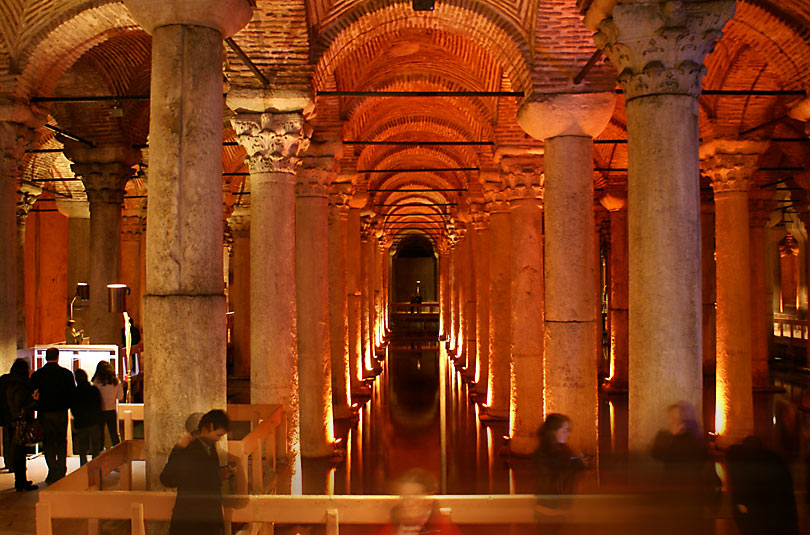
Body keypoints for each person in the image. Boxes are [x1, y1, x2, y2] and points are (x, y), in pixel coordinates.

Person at [160, 409, 237, 535]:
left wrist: (221, 473)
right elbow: (168, 479)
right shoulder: (188, 450)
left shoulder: (210, 448)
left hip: (208, 521)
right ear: (206, 429)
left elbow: (203, 474)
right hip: (190, 522)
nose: (219, 439)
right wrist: (179, 448)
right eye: (218, 435)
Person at [650, 401, 717, 534]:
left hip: (682, 499)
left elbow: (658, 454)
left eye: (673, 419)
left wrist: (670, 437)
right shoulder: (697, 440)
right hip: (690, 499)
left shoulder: (684, 442)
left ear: (681, 422)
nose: (670, 423)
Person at [726, 435, 798, 535]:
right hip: (776, 518)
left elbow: (739, 498)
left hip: (758, 520)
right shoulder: (775, 462)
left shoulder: (743, 467)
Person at [30, 347, 76, 484]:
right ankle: (61, 469)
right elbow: (72, 394)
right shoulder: (66, 374)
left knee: (48, 442)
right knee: (61, 441)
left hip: (44, 412)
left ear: (45, 357)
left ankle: (52, 469)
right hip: (61, 411)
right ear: (57, 357)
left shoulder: (38, 375)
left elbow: (32, 394)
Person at [379, 468, 460, 535]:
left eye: (416, 496)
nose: (410, 503)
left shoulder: (441, 525)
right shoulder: (393, 524)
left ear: (429, 499)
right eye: (405, 497)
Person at [533, 413, 587, 512]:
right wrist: (576, 463)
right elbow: (551, 480)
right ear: (553, 432)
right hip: (550, 507)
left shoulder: (560, 450)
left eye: (568, 431)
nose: (567, 435)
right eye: (564, 431)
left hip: (557, 506)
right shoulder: (548, 454)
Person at [6, 359, 38, 491]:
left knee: (17, 451)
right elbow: (22, 404)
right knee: (20, 452)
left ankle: (19, 480)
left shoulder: (10, 383)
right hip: (21, 421)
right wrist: (34, 401)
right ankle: (21, 481)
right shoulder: (21, 385)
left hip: (13, 420)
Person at [71, 369, 102, 465]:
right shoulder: (93, 390)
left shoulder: (75, 392)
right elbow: (98, 405)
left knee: (82, 446)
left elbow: (73, 408)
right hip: (94, 421)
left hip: (81, 422)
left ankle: (83, 465)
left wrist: (77, 417)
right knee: (95, 445)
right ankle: (95, 464)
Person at [92, 360, 123, 448]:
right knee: (114, 434)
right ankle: (118, 451)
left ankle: (100, 452)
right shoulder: (116, 382)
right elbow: (120, 397)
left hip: (100, 410)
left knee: (100, 435)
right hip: (111, 410)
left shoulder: (96, 382)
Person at [0, 368, 13, 473]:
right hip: (18, 416)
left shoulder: (3, 380)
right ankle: (16, 465)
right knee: (18, 442)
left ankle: (8, 462)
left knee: (7, 440)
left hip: (5, 414)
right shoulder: (22, 382)